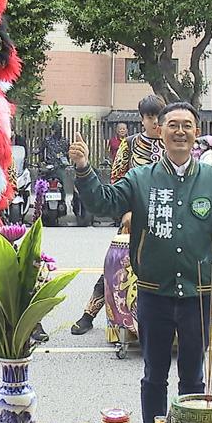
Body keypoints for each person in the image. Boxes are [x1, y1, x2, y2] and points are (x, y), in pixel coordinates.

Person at [70, 102, 212, 423]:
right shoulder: (140, 179)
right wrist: (84, 169)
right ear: (161, 131)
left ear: (196, 133)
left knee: (193, 378)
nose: (180, 131)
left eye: (187, 125)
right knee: (153, 376)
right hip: (152, 294)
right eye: (173, 125)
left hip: (198, 297)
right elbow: (104, 201)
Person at [72, 95, 165, 336]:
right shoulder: (131, 144)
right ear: (142, 119)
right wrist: (127, 212)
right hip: (134, 217)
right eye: (150, 117)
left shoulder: (172, 142)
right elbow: (116, 179)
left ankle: (210, 314)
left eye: (158, 116)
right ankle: (88, 314)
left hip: (167, 217)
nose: (155, 122)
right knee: (116, 267)